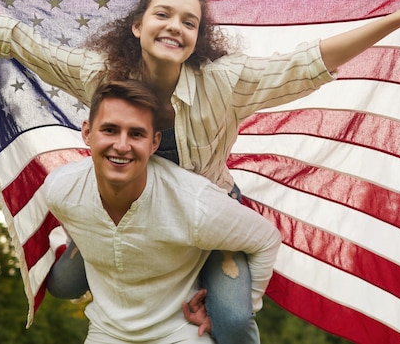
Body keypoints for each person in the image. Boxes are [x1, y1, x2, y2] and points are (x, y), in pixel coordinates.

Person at [0, 0, 400, 344]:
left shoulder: (225, 81)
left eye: (189, 22)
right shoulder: (102, 77)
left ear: (197, 38)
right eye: (164, 14)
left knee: (230, 321)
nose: (175, 27)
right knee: (67, 285)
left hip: (203, 213)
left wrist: (396, 18)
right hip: (125, 201)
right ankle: (89, 239)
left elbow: (307, 63)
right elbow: (22, 42)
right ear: (138, 25)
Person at [43, 78, 281, 343]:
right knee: (61, 283)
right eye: (110, 130)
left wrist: (227, 314)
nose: (122, 145)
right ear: (87, 133)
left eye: (136, 134)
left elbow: (266, 239)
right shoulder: (60, 188)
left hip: (181, 329)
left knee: (234, 322)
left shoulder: (194, 203)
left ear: (155, 142)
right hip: (106, 330)